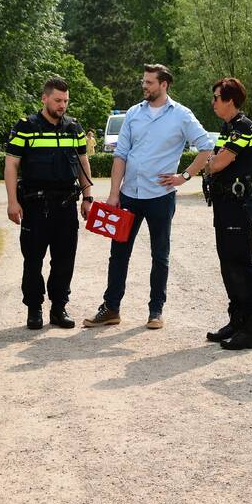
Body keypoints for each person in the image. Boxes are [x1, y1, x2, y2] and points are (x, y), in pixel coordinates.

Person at [83, 64, 213, 330]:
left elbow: (206, 147)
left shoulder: (182, 115)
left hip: (160, 196)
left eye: (150, 83)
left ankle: (156, 311)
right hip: (129, 195)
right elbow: (121, 155)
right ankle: (111, 308)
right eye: (143, 81)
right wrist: (113, 194)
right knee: (118, 253)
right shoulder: (133, 113)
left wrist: (184, 177)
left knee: (160, 255)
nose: (144, 86)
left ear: (164, 84)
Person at [4, 77, 93, 330]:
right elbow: (11, 165)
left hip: (66, 203)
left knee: (65, 259)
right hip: (35, 204)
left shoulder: (74, 128)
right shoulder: (26, 127)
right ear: (44, 98)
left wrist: (87, 197)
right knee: (33, 259)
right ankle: (34, 309)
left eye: (65, 100)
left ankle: (58, 307)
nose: (62, 105)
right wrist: (12, 202)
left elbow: (83, 164)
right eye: (57, 100)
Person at [202, 77, 252, 350]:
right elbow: (213, 161)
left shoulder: (245, 128)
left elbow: (217, 163)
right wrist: (211, 163)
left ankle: (250, 328)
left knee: (241, 264)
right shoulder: (228, 128)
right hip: (225, 203)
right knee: (227, 263)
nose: (213, 102)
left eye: (216, 97)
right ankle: (236, 320)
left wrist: (211, 163)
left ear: (230, 100)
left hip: (238, 204)